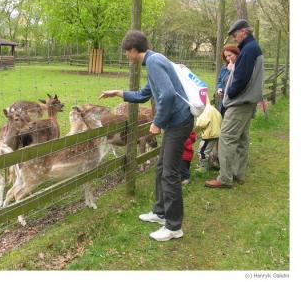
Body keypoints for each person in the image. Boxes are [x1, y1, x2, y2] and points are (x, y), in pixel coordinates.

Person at [99, 30, 194, 241]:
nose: (126, 56)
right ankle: (161, 213)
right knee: (162, 167)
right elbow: (143, 95)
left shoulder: (153, 63)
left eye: (126, 52)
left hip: (178, 122)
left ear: (133, 50)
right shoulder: (154, 59)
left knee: (169, 173)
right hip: (178, 121)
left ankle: (174, 226)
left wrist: (157, 123)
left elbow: (168, 95)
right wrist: (118, 93)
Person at [205, 19, 264, 188]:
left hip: (240, 102)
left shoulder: (248, 50)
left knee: (227, 137)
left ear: (244, 32)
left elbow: (242, 78)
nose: (234, 37)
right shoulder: (252, 48)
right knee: (242, 137)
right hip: (247, 102)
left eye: (235, 34)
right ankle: (238, 173)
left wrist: (230, 92)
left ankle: (224, 179)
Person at [194, 96, 222, 172]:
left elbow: (201, 123)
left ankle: (203, 167)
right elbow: (220, 118)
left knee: (202, 151)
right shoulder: (214, 109)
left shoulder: (205, 111)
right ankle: (211, 163)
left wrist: (194, 130)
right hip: (216, 133)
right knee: (209, 150)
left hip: (208, 135)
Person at [216, 45, 240, 117]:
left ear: (236, 54)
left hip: (234, 102)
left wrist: (232, 70)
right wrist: (219, 88)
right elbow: (220, 80)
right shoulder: (224, 68)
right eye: (226, 56)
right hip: (223, 101)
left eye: (230, 55)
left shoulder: (241, 67)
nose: (228, 58)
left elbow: (237, 82)